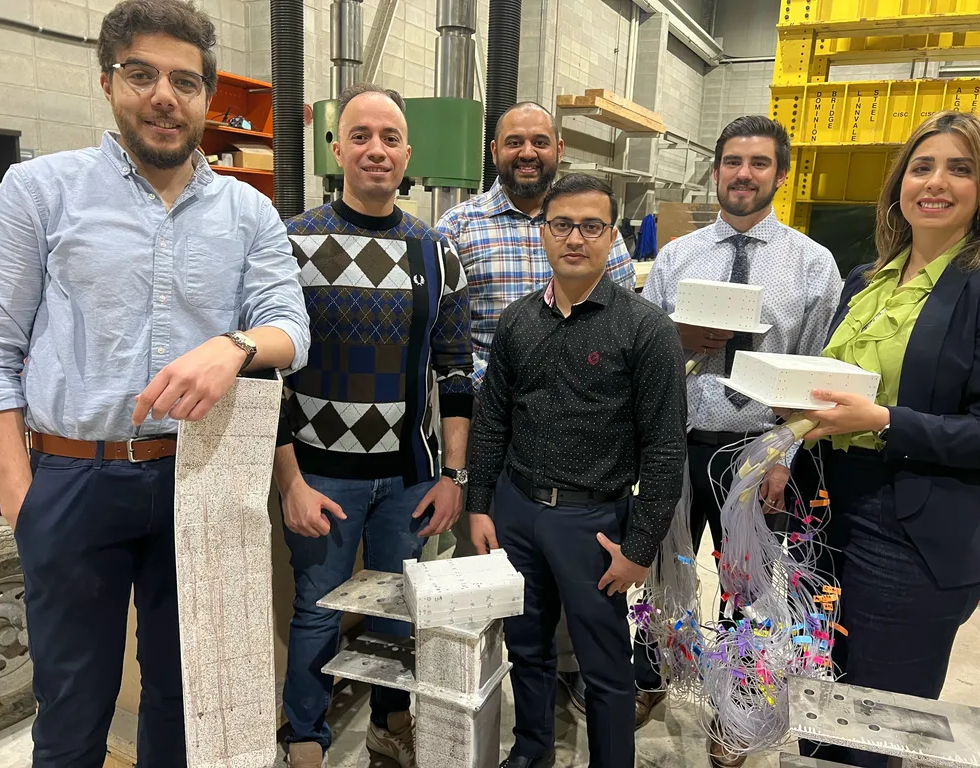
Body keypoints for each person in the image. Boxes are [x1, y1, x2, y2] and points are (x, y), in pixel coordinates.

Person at [0, 1, 311, 765]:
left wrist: (232, 347)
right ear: (108, 82)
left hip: (200, 477)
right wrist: (19, 497)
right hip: (74, 476)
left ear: (206, 95)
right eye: (142, 74)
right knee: (72, 708)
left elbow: (290, 331)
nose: (164, 96)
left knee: (188, 702)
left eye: (185, 81)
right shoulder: (38, 192)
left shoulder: (249, 212)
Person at [792, 110, 980, 768]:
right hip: (829, 513)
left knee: (874, 720)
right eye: (922, 167)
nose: (936, 182)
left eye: (959, 169)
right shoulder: (867, 279)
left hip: (914, 528)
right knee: (817, 694)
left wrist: (883, 422)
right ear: (899, 184)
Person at [275, 83, 473, 768]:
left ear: (408, 154)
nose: (376, 150)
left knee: (397, 607)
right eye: (360, 135)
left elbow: (456, 374)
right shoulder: (291, 245)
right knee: (317, 611)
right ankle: (305, 735)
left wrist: (453, 475)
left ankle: (390, 719)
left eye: (390, 138)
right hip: (320, 476)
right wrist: (290, 482)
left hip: (408, 478)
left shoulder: (436, 253)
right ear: (337, 149)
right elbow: (269, 378)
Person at [467, 174, 687, 768]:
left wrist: (639, 546)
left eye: (592, 226)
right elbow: (493, 420)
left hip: (592, 523)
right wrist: (481, 504)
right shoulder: (517, 321)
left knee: (605, 666)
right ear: (543, 233)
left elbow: (665, 449)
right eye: (562, 224)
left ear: (613, 237)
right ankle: (531, 751)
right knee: (527, 647)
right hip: (517, 511)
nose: (575, 238)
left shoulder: (645, 329)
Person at [639, 116, 841, 737]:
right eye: (732, 161)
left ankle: (737, 708)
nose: (743, 174)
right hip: (678, 443)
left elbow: (817, 372)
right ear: (716, 171)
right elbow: (642, 355)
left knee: (746, 588)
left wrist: (784, 458)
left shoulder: (812, 266)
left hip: (758, 453)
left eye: (758, 163)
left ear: (780, 175)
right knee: (662, 567)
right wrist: (676, 337)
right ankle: (650, 675)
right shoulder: (677, 257)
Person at [434, 99, 635, 716]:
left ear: (558, 150)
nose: (528, 153)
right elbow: (448, 339)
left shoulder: (598, 230)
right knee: (498, 568)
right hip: (492, 428)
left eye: (540, 142)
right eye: (514, 142)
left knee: (581, 574)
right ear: (494, 152)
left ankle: (572, 672)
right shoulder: (459, 227)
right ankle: (508, 685)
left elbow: (622, 324)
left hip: (581, 440)